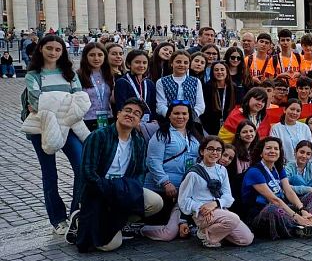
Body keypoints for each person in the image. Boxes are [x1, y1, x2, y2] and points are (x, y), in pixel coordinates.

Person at [75, 99, 164, 252]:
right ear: (118, 114)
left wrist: (130, 190)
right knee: (109, 245)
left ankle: (118, 223)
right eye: (128, 110)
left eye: (137, 114)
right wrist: (110, 190)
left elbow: (140, 172)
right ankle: (81, 218)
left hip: (123, 189)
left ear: (139, 121)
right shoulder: (99, 136)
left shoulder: (139, 141)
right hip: (98, 191)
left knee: (155, 202)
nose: (131, 115)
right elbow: (88, 172)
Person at [23, 34, 85, 235]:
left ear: (63, 51)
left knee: (81, 167)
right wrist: (64, 100)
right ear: (41, 49)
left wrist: (51, 101)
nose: (53, 53)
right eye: (49, 48)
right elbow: (36, 101)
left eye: (58, 49)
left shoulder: (70, 73)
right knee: (50, 174)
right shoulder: (33, 75)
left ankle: (76, 212)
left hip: (69, 126)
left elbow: (80, 100)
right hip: (42, 128)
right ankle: (57, 219)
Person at [177, 135, 254, 248]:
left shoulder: (222, 170)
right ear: (203, 151)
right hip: (203, 214)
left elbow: (228, 196)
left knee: (246, 239)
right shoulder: (193, 174)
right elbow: (183, 200)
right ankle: (205, 233)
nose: (215, 152)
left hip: (219, 209)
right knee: (233, 219)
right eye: (211, 149)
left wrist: (215, 203)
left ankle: (214, 232)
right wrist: (201, 208)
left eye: (218, 150)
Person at [142, 103, 202, 241]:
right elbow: (153, 161)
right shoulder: (161, 134)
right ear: (169, 115)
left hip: (183, 190)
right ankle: (138, 228)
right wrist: (165, 182)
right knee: (162, 223)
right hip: (160, 189)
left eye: (184, 113)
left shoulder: (194, 135)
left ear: (189, 116)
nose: (180, 116)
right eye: (176, 113)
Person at [241, 137, 312, 239]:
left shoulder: (278, 168)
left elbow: (289, 191)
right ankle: (296, 228)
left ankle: (309, 221)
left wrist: (302, 210)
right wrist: (296, 217)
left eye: (276, 148)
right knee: (273, 208)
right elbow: (274, 200)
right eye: (268, 148)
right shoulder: (254, 172)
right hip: (261, 213)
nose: (272, 151)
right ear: (261, 153)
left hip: (283, 208)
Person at [155, 50, 205, 121]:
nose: (182, 65)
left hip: (191, 121)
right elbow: (160, 105)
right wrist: (173, 117)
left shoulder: (196, 81)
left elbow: (200, 105)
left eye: (185, 63)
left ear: (189, 65)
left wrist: (189, 117)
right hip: (168, 120)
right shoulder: (161, 82)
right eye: (178, 62)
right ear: (172, 63)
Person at [285, 140, 312, 221]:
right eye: (302, 152)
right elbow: (285, 187)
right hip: (294, 199)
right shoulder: (288, 167)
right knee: (297, 178)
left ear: (311, 156)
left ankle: (311, 219)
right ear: (295, 152)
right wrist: (309, 189)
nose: (304, 156)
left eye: (308, 154)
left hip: (309, 198)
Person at [77, 42, 115, 131]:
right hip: (86, 120)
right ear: (85, 57)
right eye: (92, 55)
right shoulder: (78, 76)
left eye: (100, 55)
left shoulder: (109, 75)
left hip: (108, 119)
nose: (96, 58)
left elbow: (112, 99)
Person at [113, 50, 157, 127]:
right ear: (129, 64)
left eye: (144, 63)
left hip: (147, 124)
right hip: (129, 123)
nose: (141, 65)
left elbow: (153, 105)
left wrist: (154, 119)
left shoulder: (150, 83)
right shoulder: (122, 82)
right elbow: (121, 105)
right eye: (137, 62)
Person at [200, 61, 237, 136]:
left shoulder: (234, 88)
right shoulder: (206, 88)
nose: (219, 72)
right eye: (216, 70)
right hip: (210, 127)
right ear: (212, 73)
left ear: (227, 72)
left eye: (222, 70)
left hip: (230, 127)